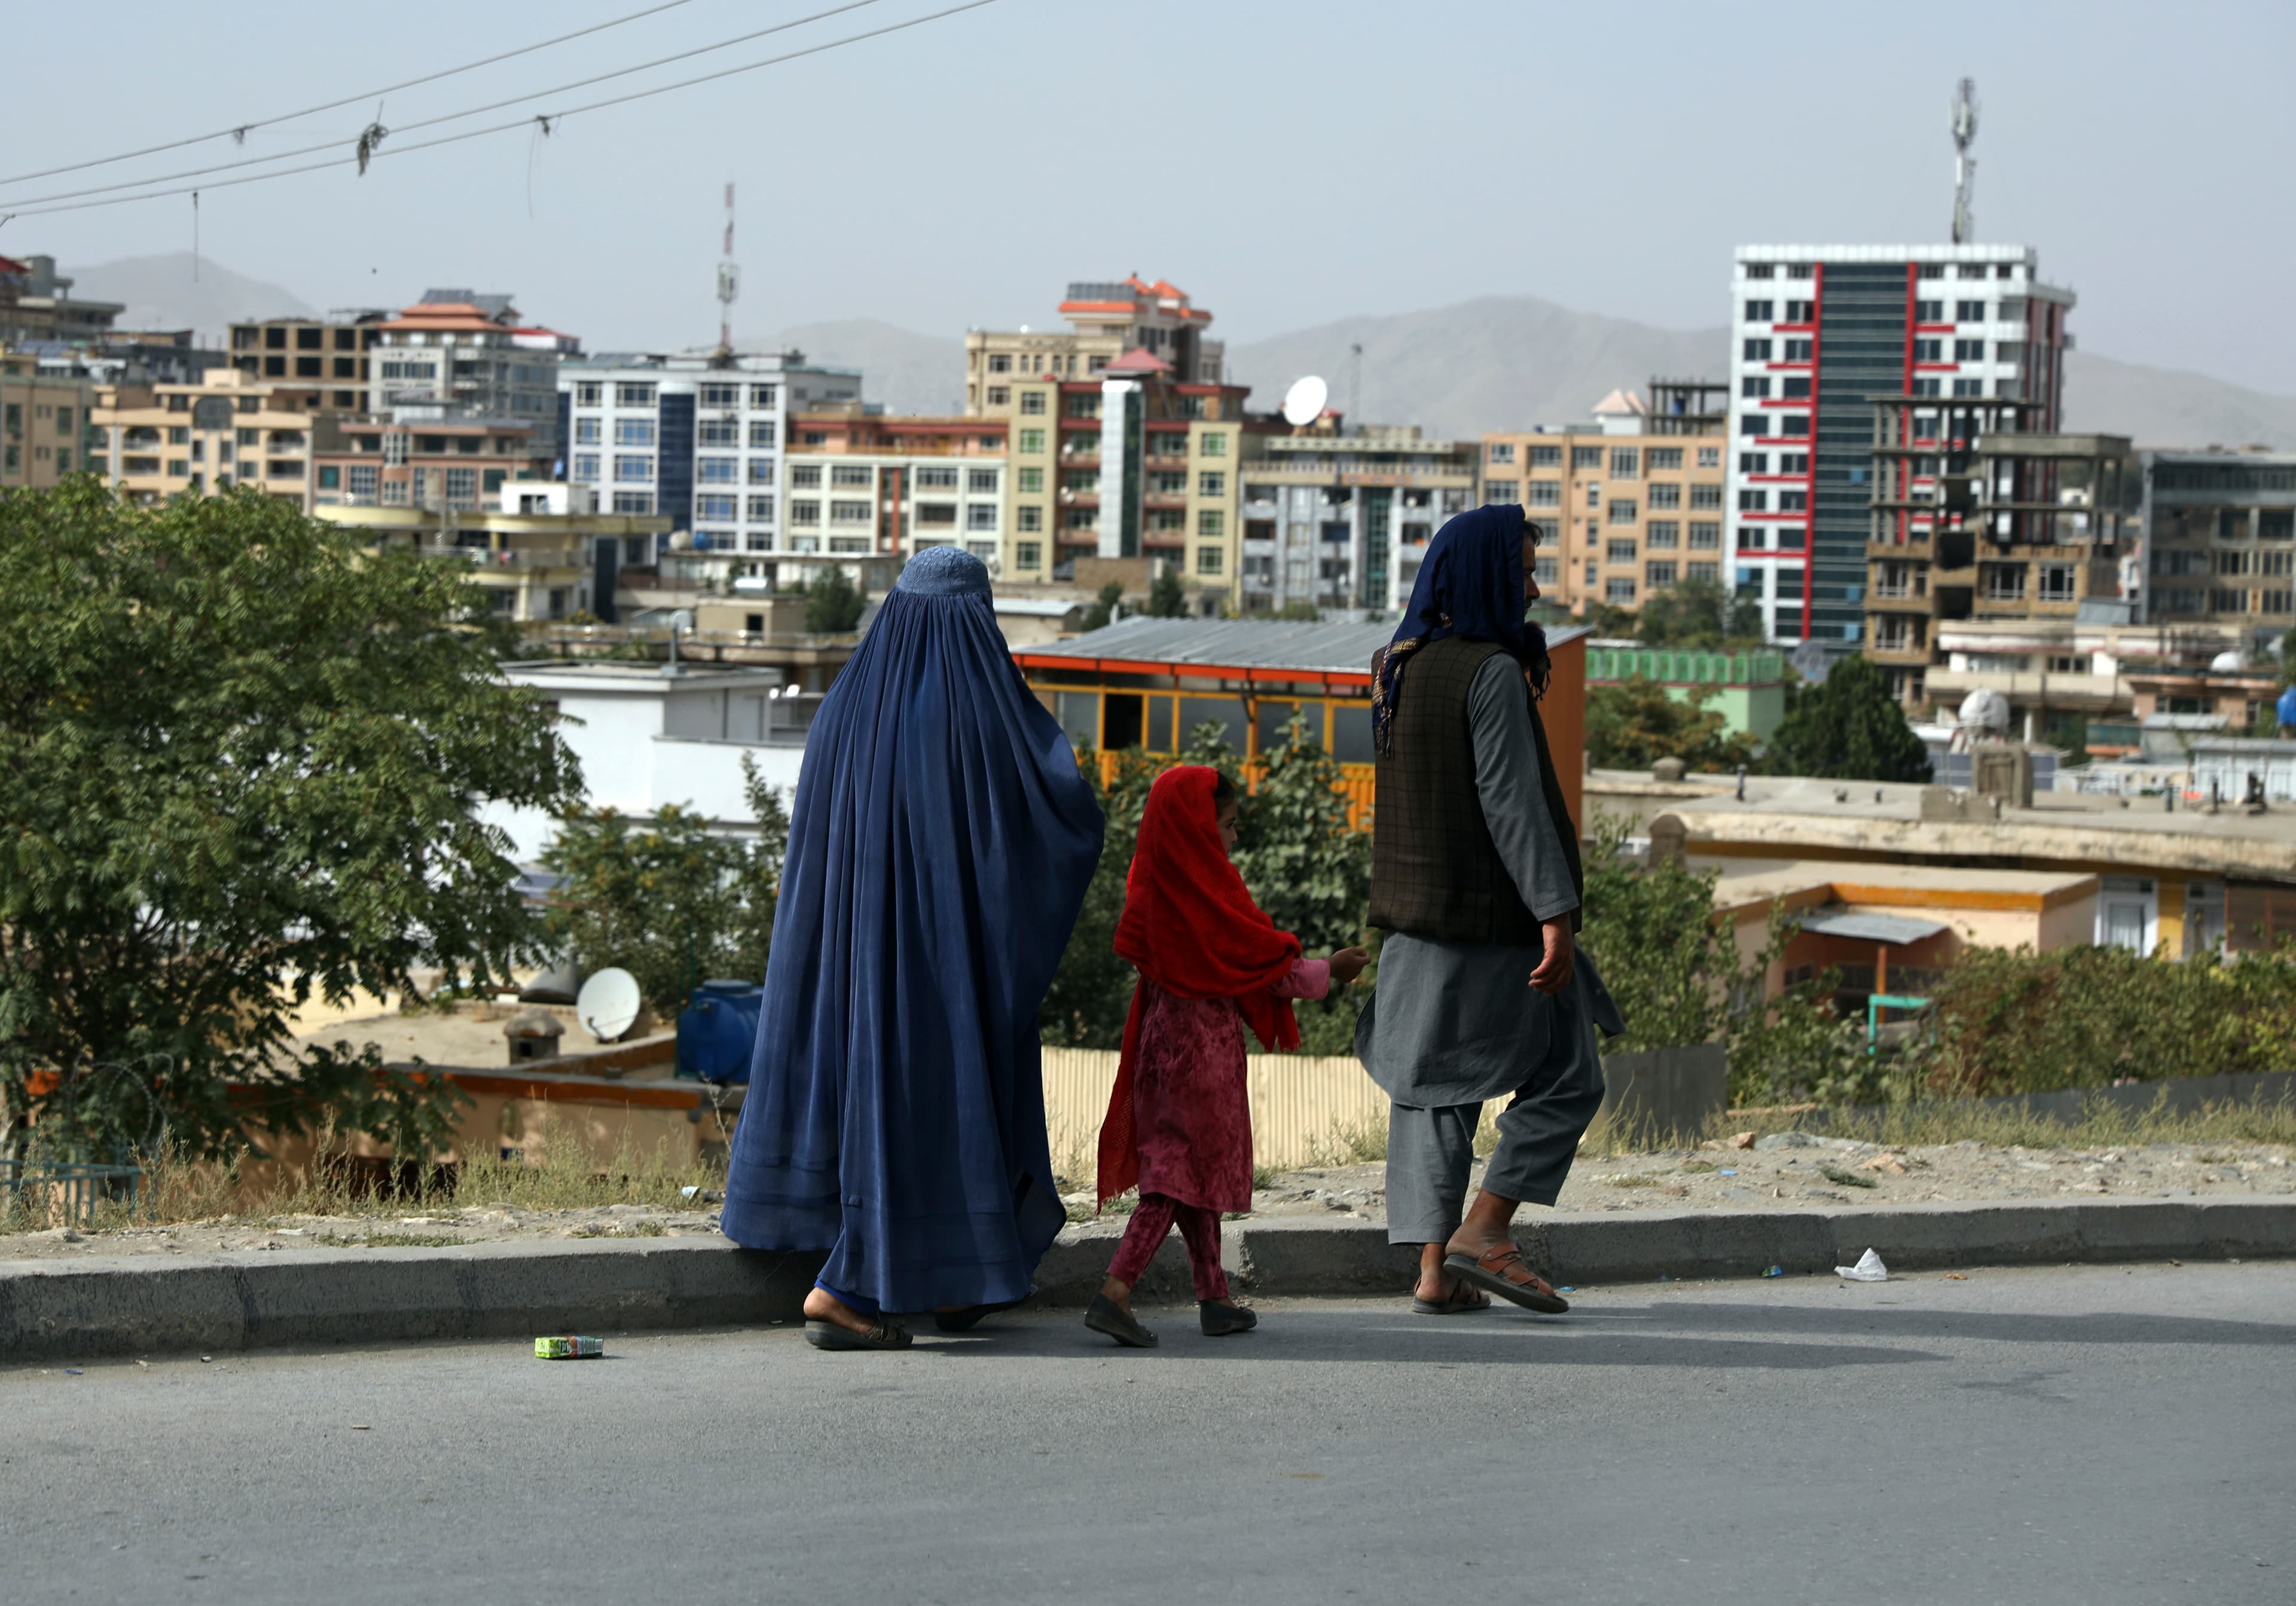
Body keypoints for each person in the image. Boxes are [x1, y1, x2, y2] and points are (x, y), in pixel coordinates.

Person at [720, 546, 1104, 1350]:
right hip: (932, 965)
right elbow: (1050, 813)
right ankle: (843, 1285)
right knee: (927, 1103)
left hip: (844, 966)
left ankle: (960, 1281)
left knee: (884, 1096)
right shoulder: (972, 711)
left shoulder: (843, 704)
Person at [1356, 502, 1623, 1317]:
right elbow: (1510, 803)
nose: (1536, 590)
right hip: (1492, 924)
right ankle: (1487, 1228)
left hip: (1411, 920)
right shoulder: (1492, 671)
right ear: (1485, 578)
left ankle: (1436, 1271)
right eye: (1525, 572)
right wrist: (1556, 912)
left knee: (1433, 1090)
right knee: (1571, 1072)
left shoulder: (1394, 662)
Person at [1087, 765, 1369, 1348]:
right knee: (1171, 1177)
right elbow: (1262, 967)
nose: (1235, 838)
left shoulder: (1152, 883)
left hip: (1158, 1047)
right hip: (1201, 1058)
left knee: (1194, 1174)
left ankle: (1214, 1296)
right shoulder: (1210, 895)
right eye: (1230, 824)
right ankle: (1116, 1289)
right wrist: (1330, 971)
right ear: (1198, 825)